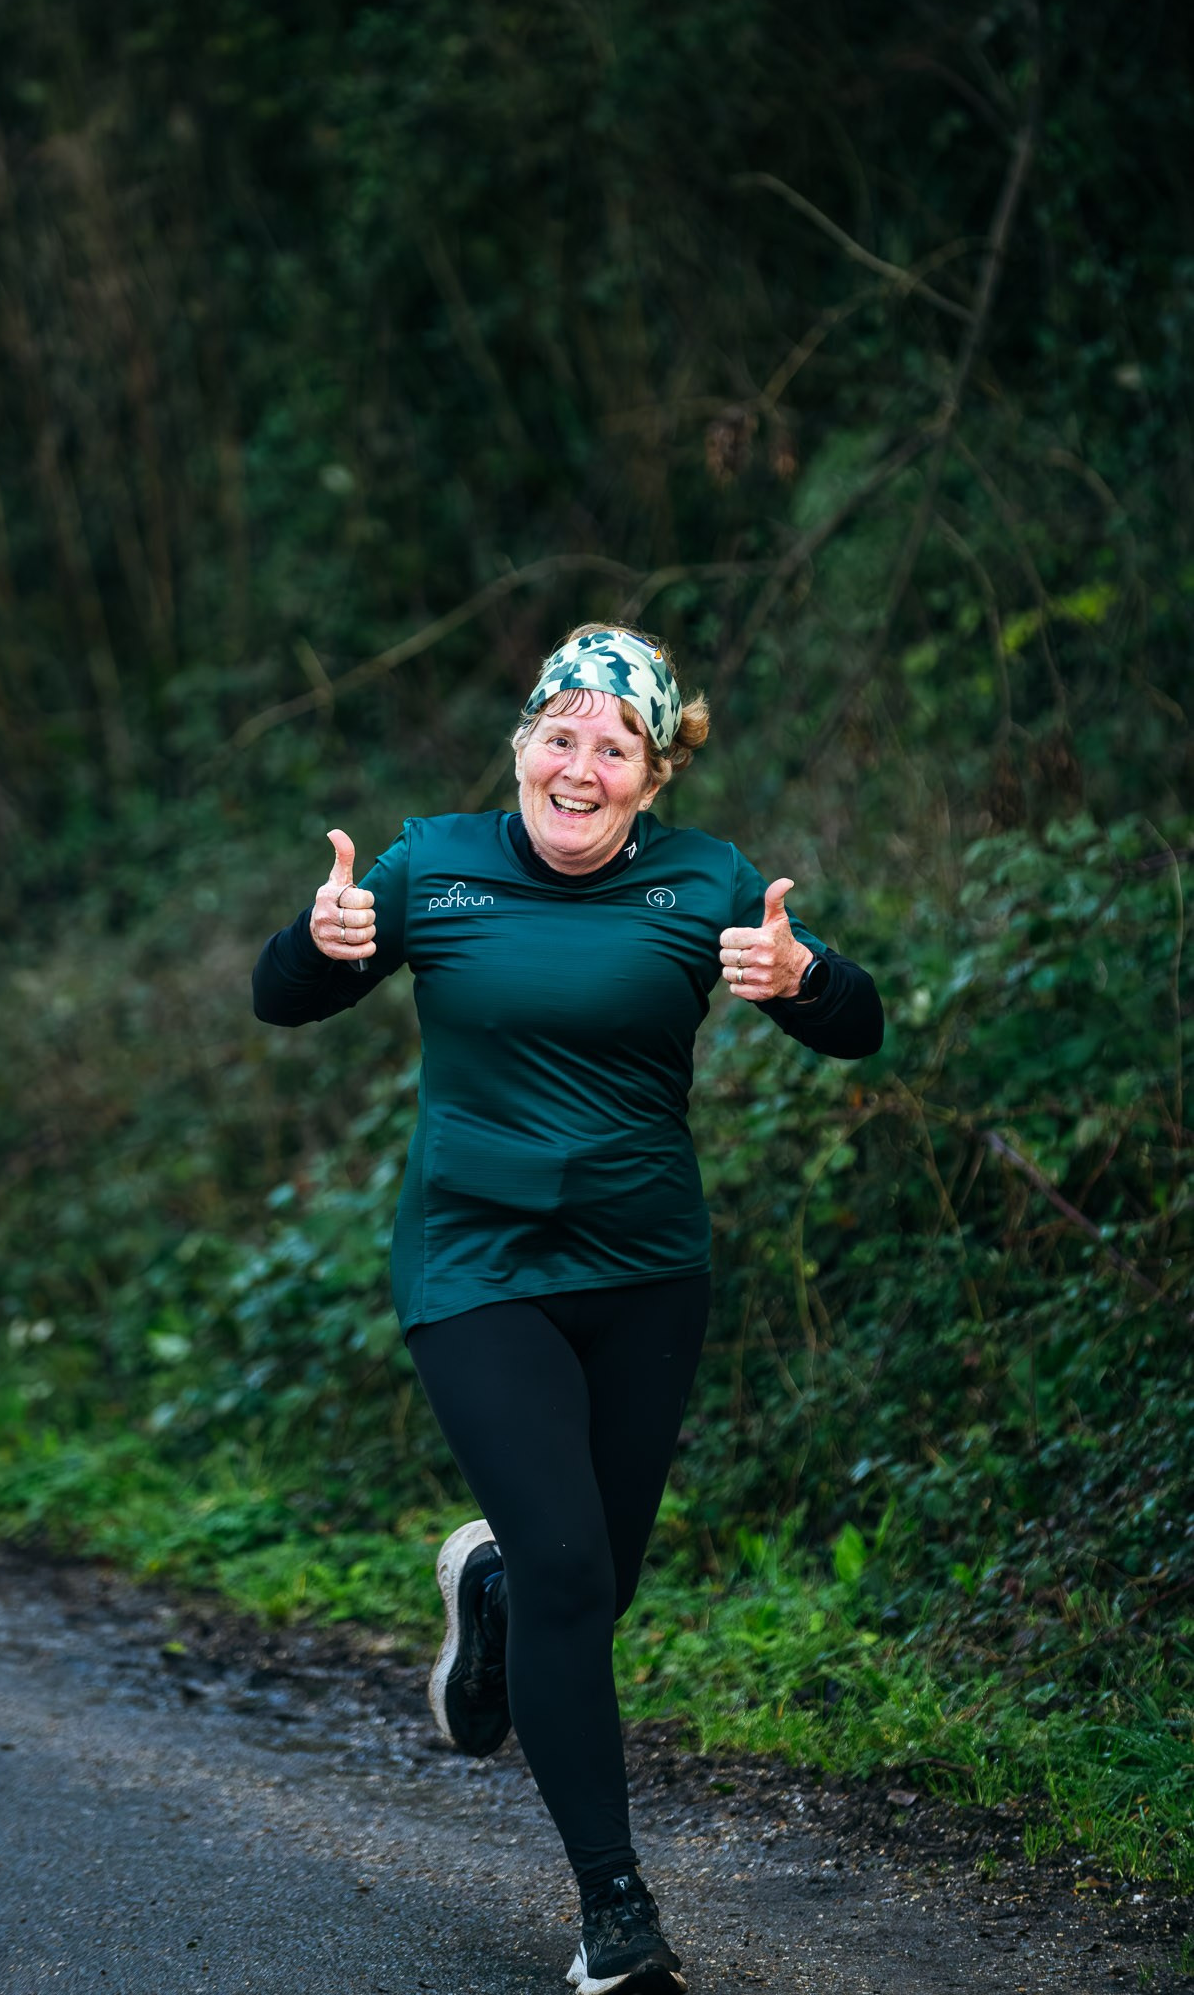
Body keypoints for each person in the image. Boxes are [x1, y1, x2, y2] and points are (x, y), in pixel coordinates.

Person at [252, 624, 883, 1995]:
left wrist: (808, 981)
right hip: (475, 1264)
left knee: (589, 1592)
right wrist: (316, 939)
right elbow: (283, 998)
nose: (580, 767)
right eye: (560, 736)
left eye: (616, 747)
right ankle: (615, 1913)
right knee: (570, 1569)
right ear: (523, 747)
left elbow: (857, 1024)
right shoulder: (430, 867)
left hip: (645, 1272)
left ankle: (491, 1594)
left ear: (652, 777)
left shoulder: (706, 882)